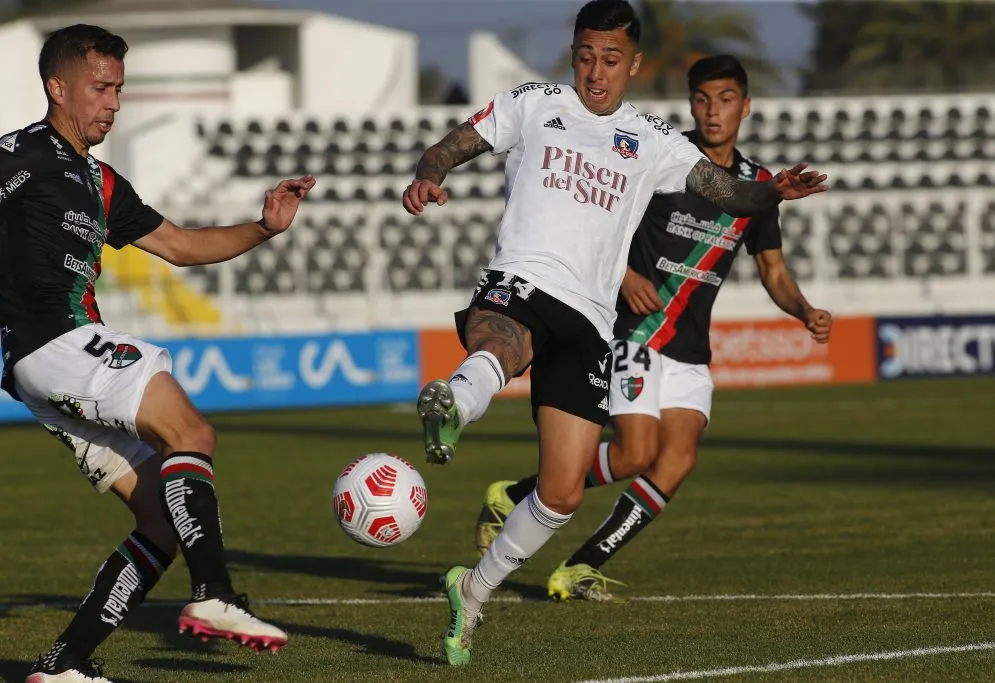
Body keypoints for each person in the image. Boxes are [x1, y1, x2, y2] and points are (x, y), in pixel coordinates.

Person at [402, 0, 828, 667]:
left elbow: (727, 191)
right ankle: (455, 402)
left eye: (609, 60)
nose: (595, 72)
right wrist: (429, 175)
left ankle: (472, 588)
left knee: (564, 490)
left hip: (593, 320)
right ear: (572, 53)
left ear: (632, 63)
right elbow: (450, 145)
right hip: (524, 277)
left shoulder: (654, 139)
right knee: (501, 342)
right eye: (584, 56)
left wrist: (774, 190)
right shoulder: (534, 102)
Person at [0, 25, 315, 683]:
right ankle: (217, 593)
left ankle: (65, 665)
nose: (113, 102)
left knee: (162, 518)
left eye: (118, 88)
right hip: (49, 340)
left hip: (51, 361)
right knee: (191, 428)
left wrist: (263, 226)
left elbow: (180, 246)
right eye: (100, 87)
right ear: (58, 88)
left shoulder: (101, 182)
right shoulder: (22, 153)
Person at [474, 54, 834, 602]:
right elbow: (595, 225)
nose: (713, 112)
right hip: (634, 331)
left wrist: (804, 310)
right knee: (636, 452)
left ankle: (581, 565)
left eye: (726, 99)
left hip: (689, 344)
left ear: (746, 106)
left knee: (678, 460)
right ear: (690, 103)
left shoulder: (757, 186)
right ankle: (520, 494)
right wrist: (625, 277)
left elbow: (773, 269)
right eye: (703, 99)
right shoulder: (662, 158)